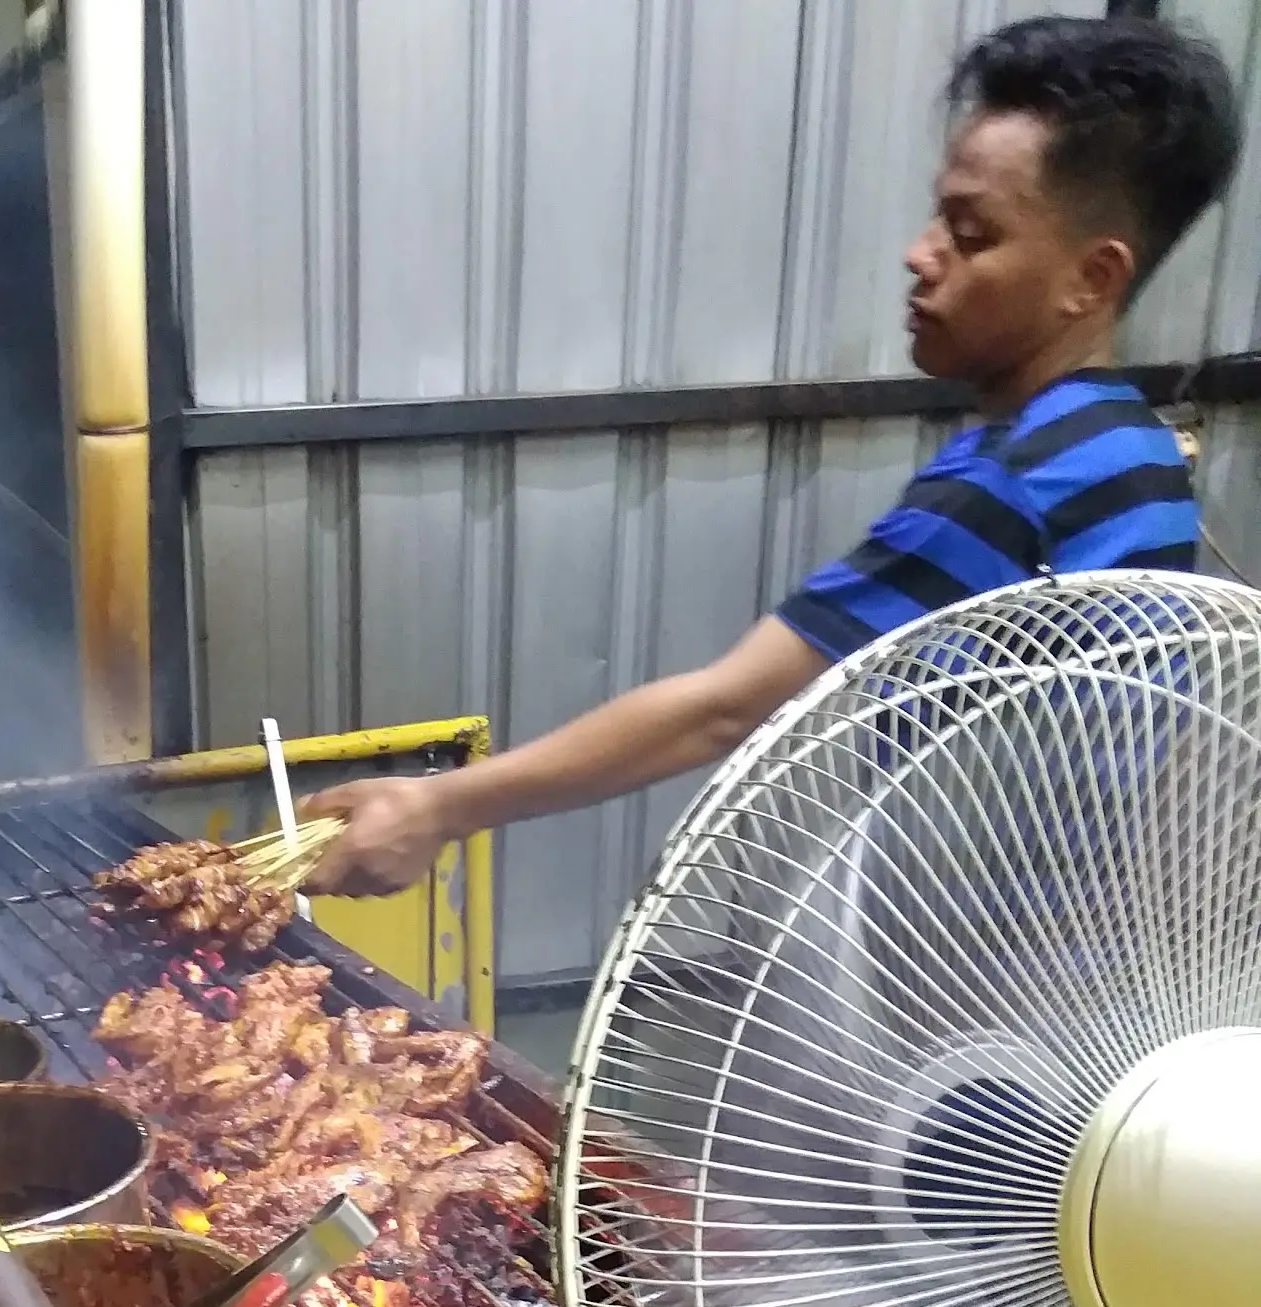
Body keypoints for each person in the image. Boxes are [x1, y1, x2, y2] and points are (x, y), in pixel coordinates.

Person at [301, 14, 1242, 897]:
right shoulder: (1136, 449)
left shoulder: (1014, 483)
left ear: (1093, 277)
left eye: (970, 234)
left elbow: (725, 707)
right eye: (935, 220)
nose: (920, 256)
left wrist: (437, 806)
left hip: (1000, 999)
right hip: (1081, 967)